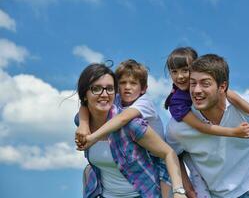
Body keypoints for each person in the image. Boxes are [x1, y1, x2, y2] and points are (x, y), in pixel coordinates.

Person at [164, 47, 249, 196]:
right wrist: (185, 188)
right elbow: (197, 130)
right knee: (190, 161)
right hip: (215, 191)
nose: (180, 76)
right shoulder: (178, 116)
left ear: (222, 86)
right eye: (193, 83)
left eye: (205, 83)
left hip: (248, 189)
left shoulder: (247, 103)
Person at [75, 63, 186, 198]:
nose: (104, 94)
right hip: (102, 193)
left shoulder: (134, 119)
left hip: (155, 167)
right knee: (88, 171)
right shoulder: (83, 121)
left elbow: (122, 119)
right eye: (96, 89)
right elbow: (84, 107)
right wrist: (83, 124)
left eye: (109, 89)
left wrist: (178, 191)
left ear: (144, 88)